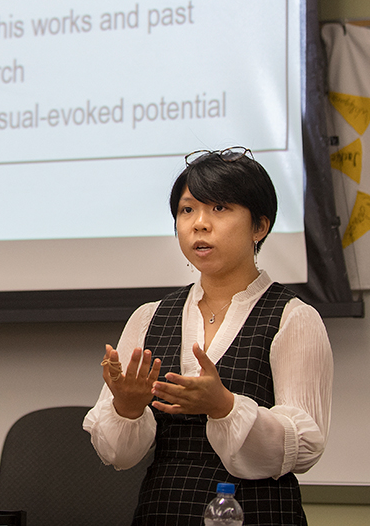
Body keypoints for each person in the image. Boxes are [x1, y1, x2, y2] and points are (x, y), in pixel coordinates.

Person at [83, 148, 332, 526]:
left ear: (259, 227)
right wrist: (128, 408)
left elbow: (304, 446)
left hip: (259, 512)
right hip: (163, 508)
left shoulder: (293, 318)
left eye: (219, 208)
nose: (199, 224)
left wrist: (224, 406)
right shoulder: (149, 318)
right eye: (187, 210)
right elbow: (117, 455)